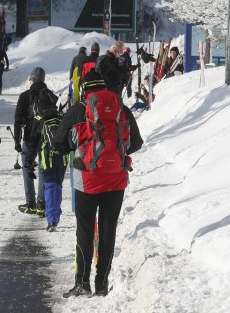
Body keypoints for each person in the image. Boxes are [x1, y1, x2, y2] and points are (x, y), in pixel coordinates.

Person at [51, 70, 144, 298]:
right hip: (116, 179)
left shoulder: (78, 110)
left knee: (84, 228)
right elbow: (137, 143)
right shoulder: (120, 109)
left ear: (84, 89)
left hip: (87, 179)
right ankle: (102, 284)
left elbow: (58, 144)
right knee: (107, 230)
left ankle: (82, 283)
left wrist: (81, 148)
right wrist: (114, 154)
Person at [13, 68, 49, 216]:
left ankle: (31, 203)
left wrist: (17, 141)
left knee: (27, 168)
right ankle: (41, 204)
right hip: (46, 137)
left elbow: (17, 120)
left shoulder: (24, 96)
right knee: (43, 168)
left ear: (32, 79)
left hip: (29, 137)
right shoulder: (50, 96)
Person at [35, 89, 68, 232]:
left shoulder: (40, 119)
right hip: (62, 156)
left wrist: (30, 160)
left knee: (49, 186)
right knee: (58, 186)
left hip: (47, 159)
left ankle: (52, 218)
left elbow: (34, 141)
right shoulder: (61, 116)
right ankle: (56, 215)